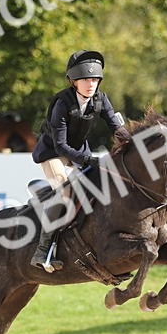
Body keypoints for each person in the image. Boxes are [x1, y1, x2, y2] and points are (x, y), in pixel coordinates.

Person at [29, 49, 132, 271]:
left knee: (99, 186)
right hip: (53, 153)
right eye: (86, 79)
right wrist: (88, 160)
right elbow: (60, 145)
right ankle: (43, 250)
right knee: (65, 193)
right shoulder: (62, 104)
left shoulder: (101, 99)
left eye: (95, 79)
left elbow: (117, 128)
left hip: (79, 151)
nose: (91, 84)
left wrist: (135, 143)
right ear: (73, 81)